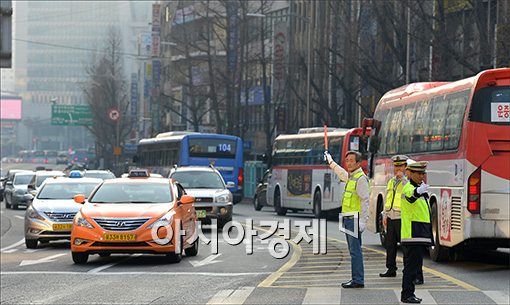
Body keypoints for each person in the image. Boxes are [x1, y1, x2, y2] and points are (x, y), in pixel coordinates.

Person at [325, 150, 369, 288]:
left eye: (351, 160)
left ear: (358, 163)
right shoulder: (351, 177)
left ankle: (357, 280)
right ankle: (357, 279)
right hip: (348, 218)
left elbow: (365, 200)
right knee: (354, 250)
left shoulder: (360, 178)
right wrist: (331, 162)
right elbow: (341, 172)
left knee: (355, 251)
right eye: (347, 160)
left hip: (354, 220)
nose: (348, 163)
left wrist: (363, 221)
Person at [400, 161, 433, 304]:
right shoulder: (409, 187)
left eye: (423, 174)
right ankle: (407, 294)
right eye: (419, 174)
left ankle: (409, 293)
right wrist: (418, 192)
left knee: (414, 265)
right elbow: (410, 196)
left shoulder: (420, 188)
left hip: (419, 233)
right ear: (410, 174)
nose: (421, 176)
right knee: (411, 267)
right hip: (412, 234)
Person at [379, 155, 408, 278]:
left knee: (406, 247)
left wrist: (403, 179)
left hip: (402, 218)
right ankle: (391, 269)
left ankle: (408, 271)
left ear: (406, 167)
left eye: (400, 166)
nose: (398, 169)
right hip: (391, 217)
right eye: (396, 166)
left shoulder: (408, 182)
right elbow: (387, 199)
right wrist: (385, 215)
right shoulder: (391, 181)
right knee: (390, 245)